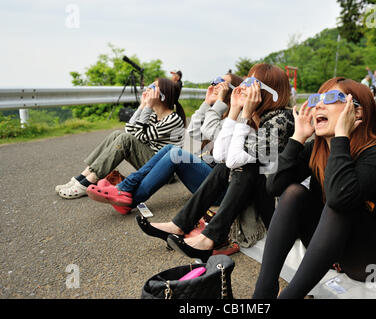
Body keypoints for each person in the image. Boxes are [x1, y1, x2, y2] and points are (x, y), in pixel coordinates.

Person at [252, 77, 376, 299]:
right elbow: (274, 186)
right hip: (333, 248)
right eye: (317, 98)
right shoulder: (316, 149)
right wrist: (298, 138)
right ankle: (263, 292)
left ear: (357, 112)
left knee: (338, 204)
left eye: (331, 98)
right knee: (294, 193)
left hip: (372, 256)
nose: (318, 104)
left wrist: (341, 138)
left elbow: (339, 199)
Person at [138, 63, 295, 262]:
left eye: (252, 82)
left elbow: (234, 159)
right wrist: (234, 111)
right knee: (226, 164)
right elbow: (221, 156)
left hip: (277, 207)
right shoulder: (255, 116)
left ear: (268, 90)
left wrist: (243, 114)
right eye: (245, 81)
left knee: (245, 166)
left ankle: (210, 237)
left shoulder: (282, 119)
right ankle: (182, 224)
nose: (245, 86)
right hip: (247, 191)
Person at [86, 73, 243, 215]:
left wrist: (218, 104)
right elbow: (190, 141)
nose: (215, 85)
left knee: (176, 153)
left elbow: (212, 132)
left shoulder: (236, 120)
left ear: (234, 91)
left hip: (222, 191)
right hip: (207, 179)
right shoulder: (215, 114)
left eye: (221, 83)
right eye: (214, 81)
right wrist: (206, 103)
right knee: (172, 149)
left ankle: (128, 196)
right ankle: (125, 191)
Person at [55, 78, 186, 199]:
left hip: (163, 171)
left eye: (153, 86)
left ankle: (88, 182)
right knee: (117, 134)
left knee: (124, 139)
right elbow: (129, 130)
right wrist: (141, 106)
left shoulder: (172, 119)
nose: (148, 88)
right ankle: (82, 177)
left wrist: (147, 107)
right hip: (151, 162)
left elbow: (138, 135)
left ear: (162, 95)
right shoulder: (153, 116)